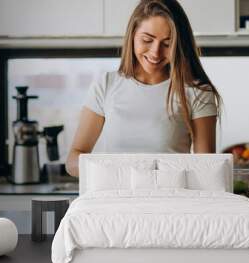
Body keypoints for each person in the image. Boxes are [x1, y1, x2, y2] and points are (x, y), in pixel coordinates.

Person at [66, 0, 222, 177]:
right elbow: (73, 159)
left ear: (179, 45)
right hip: (113, 200)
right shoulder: (106, 84)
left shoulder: (198, 92)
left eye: (167, 44)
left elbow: (206, 170)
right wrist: (109, 172)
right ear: (132, 35)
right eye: (147, 40)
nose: (155, 52)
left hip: (170, 201)